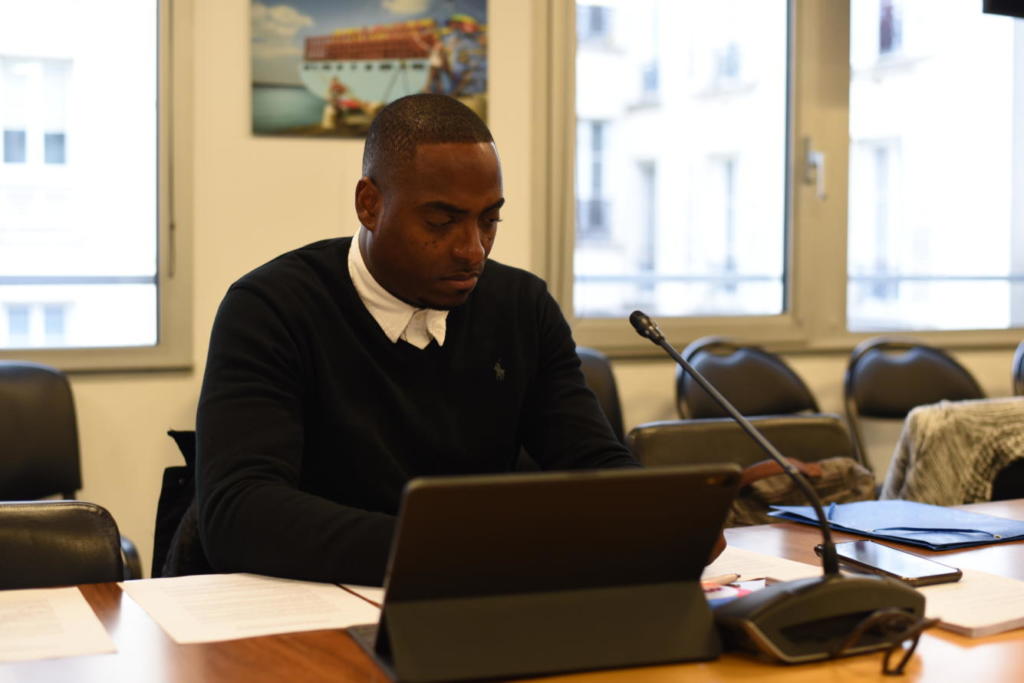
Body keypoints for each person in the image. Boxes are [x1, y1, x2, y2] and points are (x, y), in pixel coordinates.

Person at [193, 94, 642, 586]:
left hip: (467, 594)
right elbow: (240, 510)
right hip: (304, 601)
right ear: (369, 205)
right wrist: (451, 551)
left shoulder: (522, 307)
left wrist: (660, 516)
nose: (473, 250)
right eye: (441, 222)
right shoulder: (272, 308)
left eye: (489, 220)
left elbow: (593, 464)